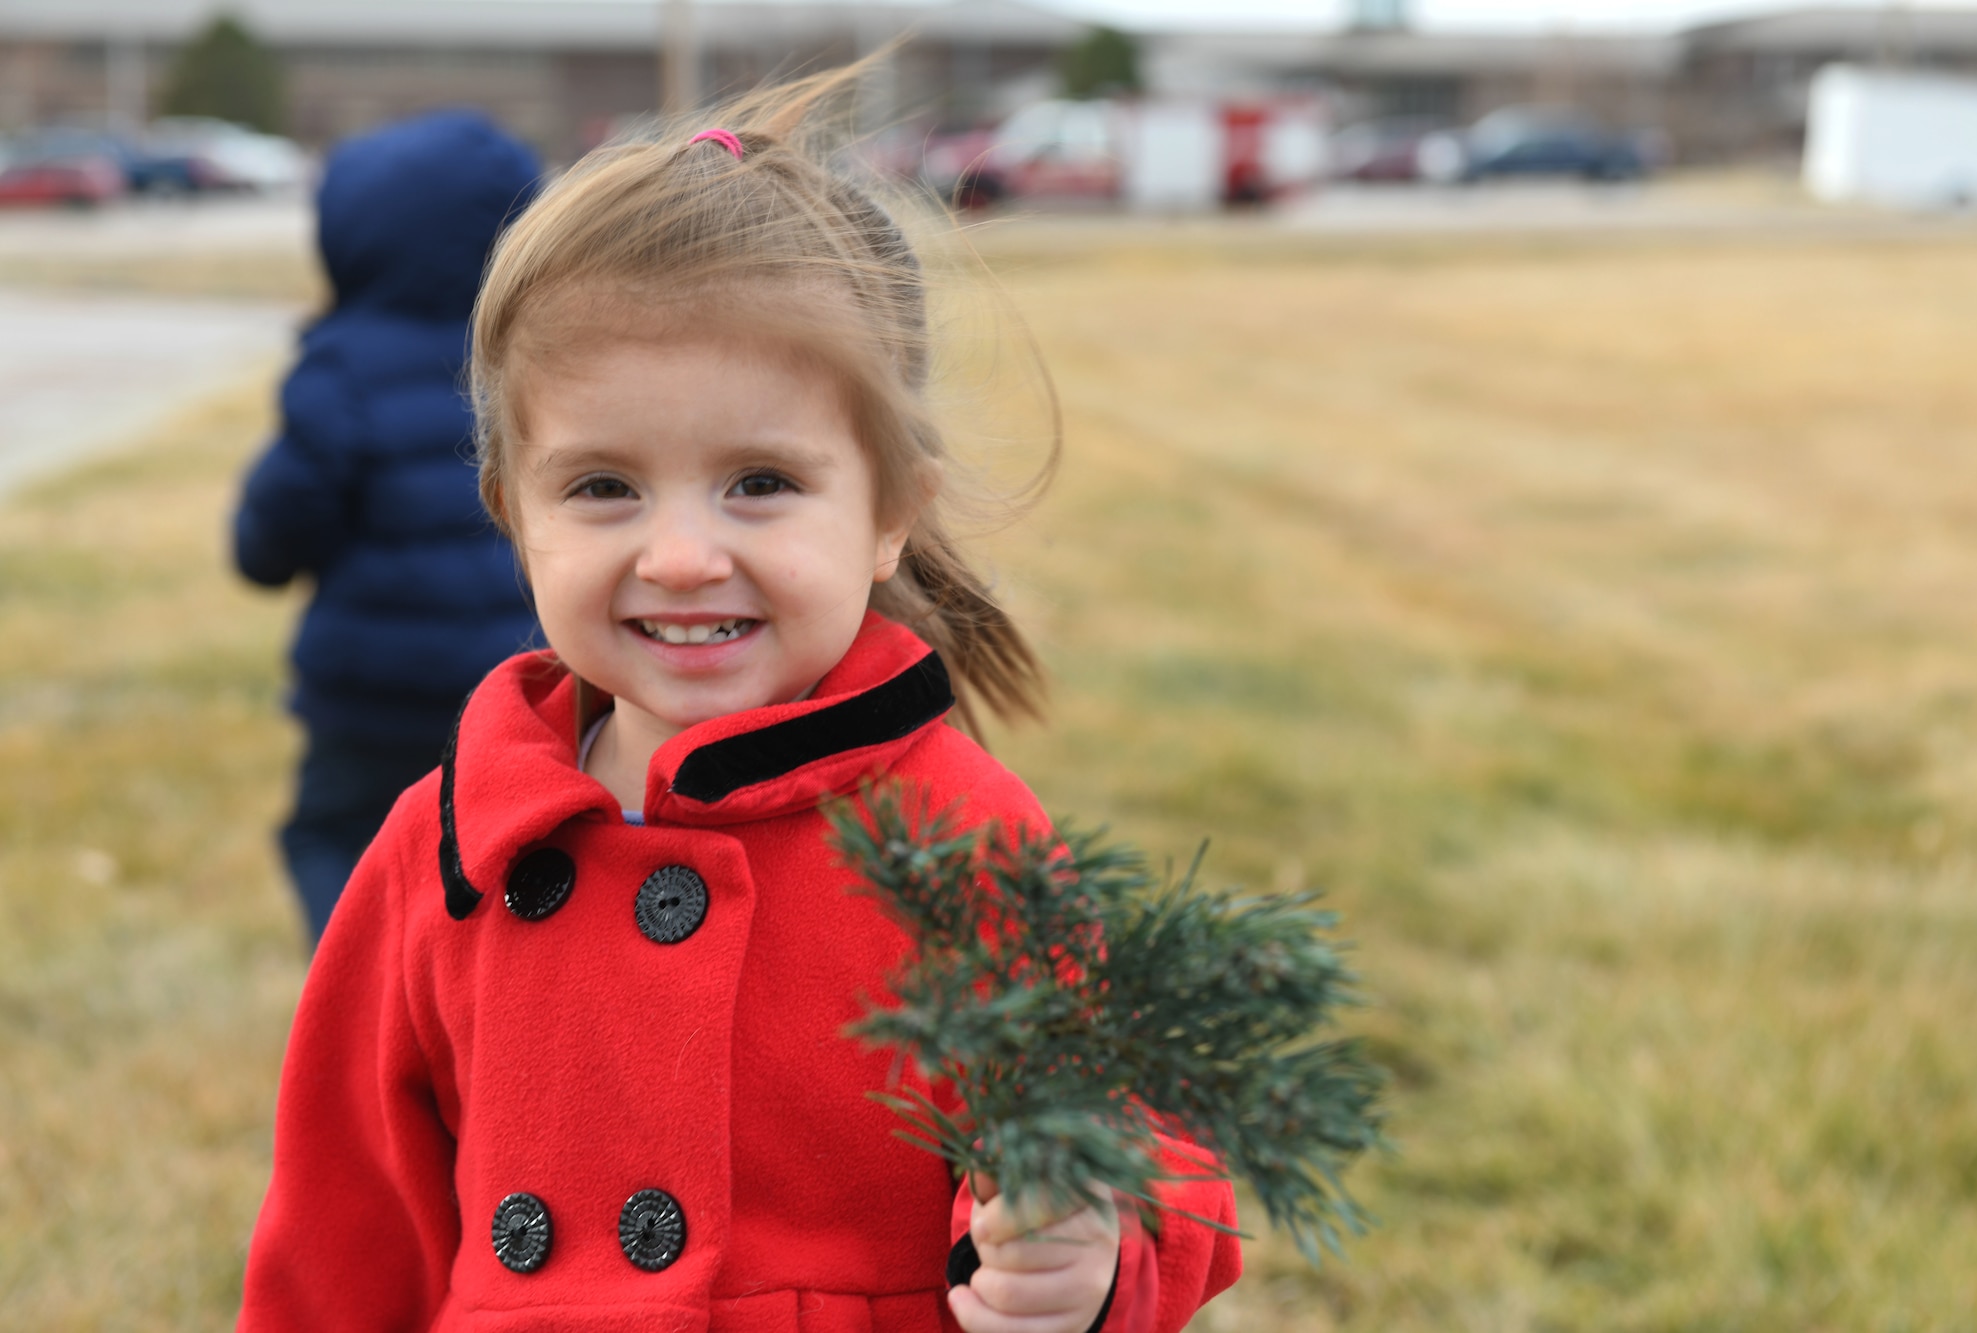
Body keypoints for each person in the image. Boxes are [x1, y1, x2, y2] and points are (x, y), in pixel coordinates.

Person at [237, 69, 1241, 1333]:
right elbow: (342, 1232)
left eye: (757, 482)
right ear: (514, 516)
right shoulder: (439, 851)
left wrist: (1089, 1255)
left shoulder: (957, 840)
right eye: (602, 487)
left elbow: (1135, 1137)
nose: (678, 557)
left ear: (888, 517)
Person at [232, 110, 544, 944]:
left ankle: (364, 1006)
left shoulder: (342, 371)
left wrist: (260, 539)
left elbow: (273, 539)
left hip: (368, 696)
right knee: (496, 857)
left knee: (336, 837)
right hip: (520, 683)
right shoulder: (542, 356)